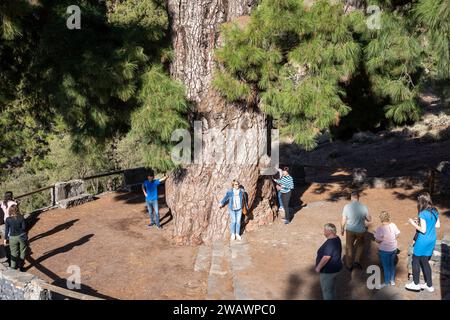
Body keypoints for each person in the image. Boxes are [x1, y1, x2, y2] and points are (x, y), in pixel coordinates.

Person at [405, 192, 440, 292]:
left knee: (415, 259)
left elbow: (423, 230)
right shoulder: (434, 210)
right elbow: (437, 225)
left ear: (421, 202)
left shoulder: (423, 213)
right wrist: (420, 222)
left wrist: (413, 223)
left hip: (423, 240)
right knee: (425, 261)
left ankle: (416, 284)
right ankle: (429, 285)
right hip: (432, 239)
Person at [341, 191, 371, 271]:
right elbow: (369, 219)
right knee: (360, 245)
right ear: (358, 198)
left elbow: (344, 219)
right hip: (360, 230)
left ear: (351, 198)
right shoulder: (364, 207)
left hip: (350, 229)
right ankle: (357, 261)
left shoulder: (346, 207)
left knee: (349, 247)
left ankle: (349, 265)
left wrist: (342, 228)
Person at [315, 223, 343, 300]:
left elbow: (326, 257)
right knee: (332, 289)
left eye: (325, 230)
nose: (323, 231)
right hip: (335, 269)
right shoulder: (337, 238)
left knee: (327, 291)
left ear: (329, 231)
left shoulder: (330, 243)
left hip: (328, 272)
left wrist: (318, 267)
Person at [374, 211, 400, 288]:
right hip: (393, 249)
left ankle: (386, 282)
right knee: (392, 264)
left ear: (381, 219)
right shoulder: (393, 225)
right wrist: (392, 238)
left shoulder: (380, 228)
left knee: (386, 266)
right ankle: (392, 281)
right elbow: (397, 234)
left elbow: (377, 240)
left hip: (384, 250)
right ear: (388, 217)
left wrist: (380, 238)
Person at [4, 205, 28, 270]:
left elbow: (7, 230)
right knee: (22, 251)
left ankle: (13, 268)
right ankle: (21, 267)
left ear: (10, 211)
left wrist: (5, 239)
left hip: (12, 237)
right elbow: (24, 228)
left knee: (14, 253)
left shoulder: (8, 219)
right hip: (22, 236)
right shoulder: (21, 217)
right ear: (17, 210)